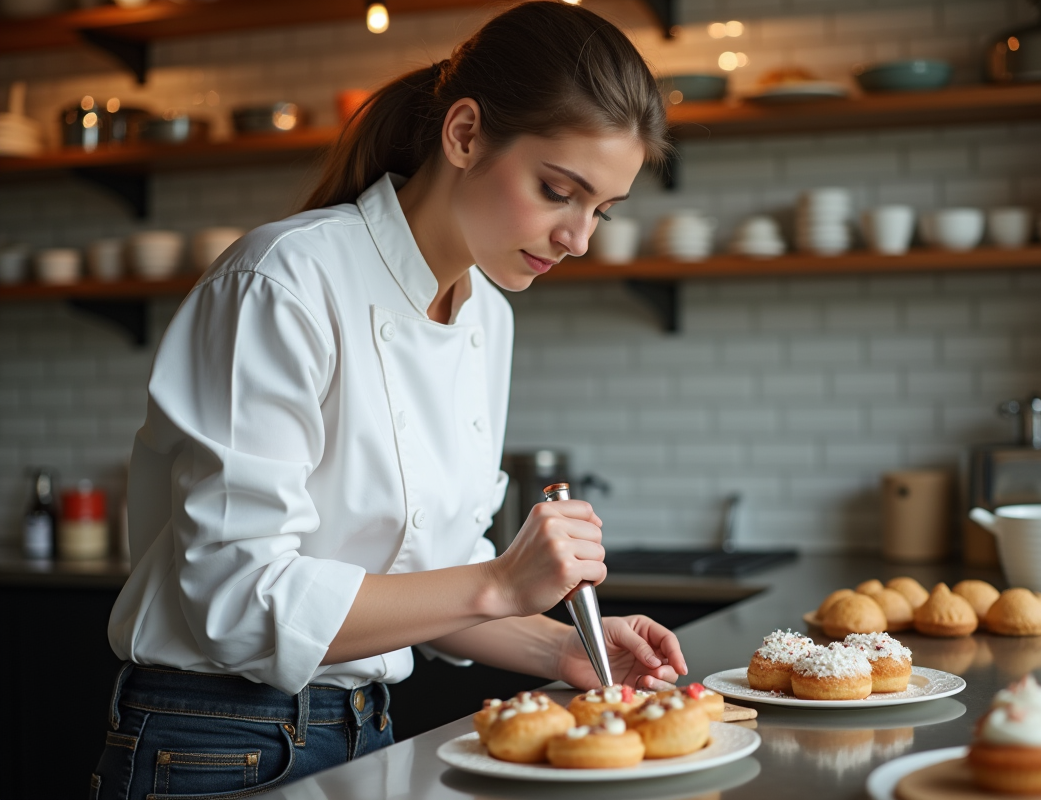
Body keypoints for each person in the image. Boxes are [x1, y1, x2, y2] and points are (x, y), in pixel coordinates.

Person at [90, 3, 683, 797]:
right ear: (465, 134)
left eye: (600, 211)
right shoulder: (283, 281)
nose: (579, 238)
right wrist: (502, 582)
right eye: (557, 191)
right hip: (211, 742)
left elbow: (433, 574)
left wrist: (562, 649)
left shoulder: (488, 315)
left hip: (365, 730)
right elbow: (236, 599)